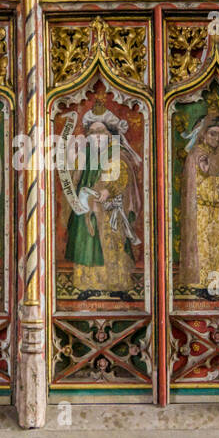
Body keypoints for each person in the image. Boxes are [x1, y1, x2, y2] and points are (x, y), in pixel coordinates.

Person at [63, 101, 142, 298]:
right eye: (93, 133)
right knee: (87, 245)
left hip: (109, 208)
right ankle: (88, 286)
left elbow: (123, 174)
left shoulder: (116, 153)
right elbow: (73, 178)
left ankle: (117, 286)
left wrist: (109, 189)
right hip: (86, 208)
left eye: (101, 132)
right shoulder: (85, 154)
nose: (97, 137)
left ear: (109, 135)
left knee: (112, 245)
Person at [178, 110, 219, 296]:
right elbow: (200, 187)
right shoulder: (196, 155)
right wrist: (212, 175)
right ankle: (202, 287)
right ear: (203, 134)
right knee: (205, 249)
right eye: (212, 134)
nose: (217, 138)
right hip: (203, 211)